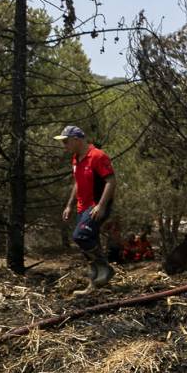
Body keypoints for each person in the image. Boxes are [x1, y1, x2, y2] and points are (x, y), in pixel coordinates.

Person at [56, 125, 117, 295]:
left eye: (66, 142)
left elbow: (111, 181)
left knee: (80, 236)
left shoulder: (98, 156)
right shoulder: (76, 158)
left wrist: (101, 206)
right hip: (82, 207)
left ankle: (105, 268)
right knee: (89, 244)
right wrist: (69, 205)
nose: (64, 146)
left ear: (77, 140)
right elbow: (77, 182)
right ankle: (94, 285)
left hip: (97, 205)